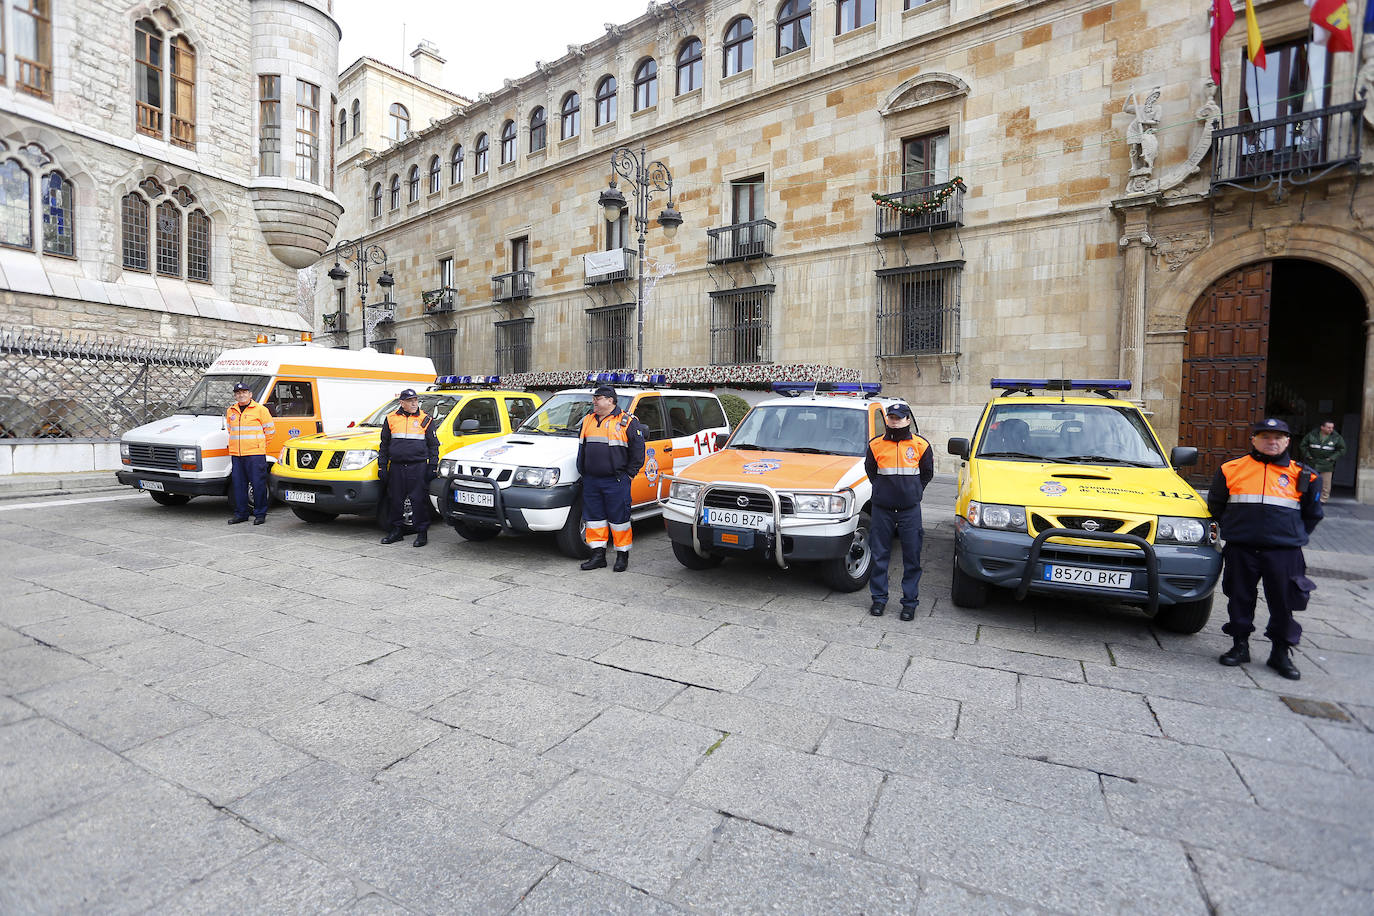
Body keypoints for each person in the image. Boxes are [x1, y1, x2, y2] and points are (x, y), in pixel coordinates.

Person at [1207, 418, 1323, 680]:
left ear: (1287, 442)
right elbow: (1216, 505)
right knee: (1239, 597)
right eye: (1265, 437)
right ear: (1254, 440)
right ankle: (1239, 646)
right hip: (1242, 548)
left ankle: (1280, 652)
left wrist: (1291, 536)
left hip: (1284, 553)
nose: (1272, 442)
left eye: (1278, 437)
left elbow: (1312, 514)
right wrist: (1236, 529)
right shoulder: (1231, 469)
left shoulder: (1306, 475)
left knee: (1284, 602)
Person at [864, 402, 934, 620]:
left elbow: (927, 473)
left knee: (912, 557)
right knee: (879, 555)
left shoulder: (921, 445)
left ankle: (910, 602)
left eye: (899, 417)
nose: (894, 421)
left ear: (908, 420)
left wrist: (914, 492)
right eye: (891, 417)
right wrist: (883, 490)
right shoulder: (875, 445)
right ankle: (879, 599)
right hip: (882, 508)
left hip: (909, 510)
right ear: (887, 420)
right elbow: (871, 471)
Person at [576, 384, 645, 572]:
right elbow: (583, 448)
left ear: (610, 401)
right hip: (592, 480)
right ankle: (598, 556)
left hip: (616, 480)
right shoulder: (588, 420)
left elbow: (638, 452)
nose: (594, 402)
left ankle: (622, 556)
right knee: (594, 520)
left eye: (597, 398)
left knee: (619, 520)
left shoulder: (627, 421)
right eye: (594, 398)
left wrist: (629, 475)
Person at [378, 388, 439, 547]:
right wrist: (382, 467)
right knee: (395, 500)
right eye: (410, 401)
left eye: (415, 400)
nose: (414, 403)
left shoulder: (425, 419)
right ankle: (396, 531)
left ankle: (422, 532)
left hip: (417, 466)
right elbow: (384, 445)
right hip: (397, 466)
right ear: (402, 403)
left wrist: (432, 465)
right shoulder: (391, 418)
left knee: (418, 500)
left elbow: (433, 446)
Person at [226, 382, 275, 525]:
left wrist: (259, 446)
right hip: (237, 454)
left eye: (244, 392)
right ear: (235, 395)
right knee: (239, 485)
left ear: (250, 394)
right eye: (238, 393)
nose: (241, 395)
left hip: (255, 454)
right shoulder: (231, 411)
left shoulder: (260, 410)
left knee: (258, 484)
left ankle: (260, 514)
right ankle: (241, 514)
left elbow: (270, 431)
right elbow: (230, 430)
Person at [1299, 420, 1347, 501]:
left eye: (1332, 428)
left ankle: (1323, 500)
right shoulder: (1312, 435)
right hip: (1312, 463)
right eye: (1328, 427)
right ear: (1322, 427)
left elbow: (1342, 449)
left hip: (1326, 464)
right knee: (1308, 481)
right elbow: (1302, 445)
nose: (1331, 429)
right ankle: (1307, 498)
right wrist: (1308, 456)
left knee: (1326, 484)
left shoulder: (1336, 437)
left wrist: (1332, 458)